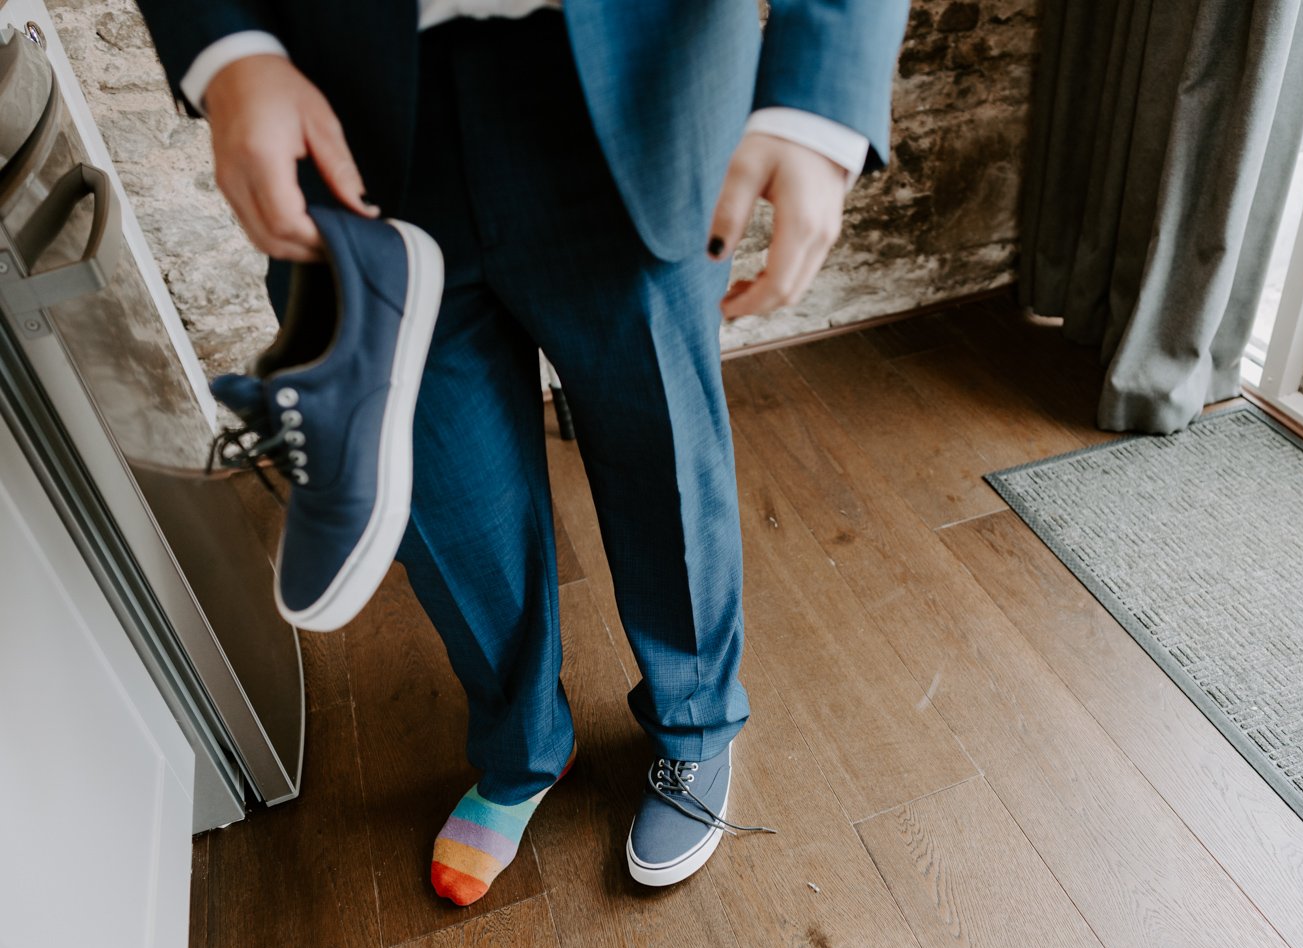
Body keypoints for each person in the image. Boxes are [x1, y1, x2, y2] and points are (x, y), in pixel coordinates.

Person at [133, 0, 909, 898]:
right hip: (354, 96)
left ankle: (695, 723)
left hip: (636, 80)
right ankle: (525, 745)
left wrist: (819, 95)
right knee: (446, 497)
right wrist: (229, 52)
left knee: (664, 461)